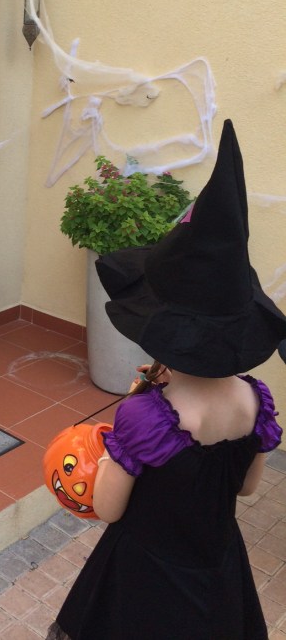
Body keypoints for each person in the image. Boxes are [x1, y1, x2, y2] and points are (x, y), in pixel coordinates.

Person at [47, 119, 286, 640]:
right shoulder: (257, 402)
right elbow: (246, 488)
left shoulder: (144, 417)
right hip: (216, 567)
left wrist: (107, 458)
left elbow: (110, 509)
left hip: (143, 578)